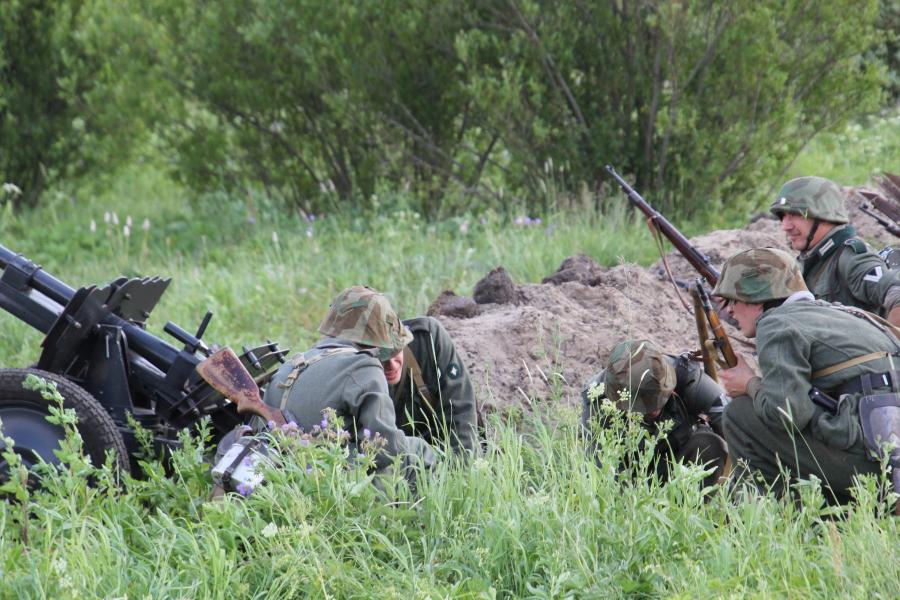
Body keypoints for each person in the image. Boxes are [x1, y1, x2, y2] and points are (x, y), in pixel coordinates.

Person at [715, 247, 900, 503]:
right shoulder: (844, 313)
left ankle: (781, 519)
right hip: (887, 458)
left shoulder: (776, 323)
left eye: (733, 300)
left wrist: (749, 383)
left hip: (875, 469)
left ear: (756, 300)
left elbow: (787, 414)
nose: (731, 311)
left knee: (740, 414)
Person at [261, 286, 437, 479]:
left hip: (277, 475)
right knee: (417, 450)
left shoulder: (292, 365)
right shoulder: (363, 367)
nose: (390, 362)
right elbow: (386, 448)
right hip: (328, 483)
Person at [581, 339, 729, 487]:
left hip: (677, 463)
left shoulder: (686, 376)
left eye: (660, 400)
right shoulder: (597, 398)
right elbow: (598, 470)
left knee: (711, 445)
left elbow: (734, 424)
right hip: (629, 476)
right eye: (644, 407)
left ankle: (688, 508)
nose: (654, 411)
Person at [770, 176, 900, 325]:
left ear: (824, 216)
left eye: (796, 214)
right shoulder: (811, 260)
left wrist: (891, 344)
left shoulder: (850, 257)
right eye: (783, 216)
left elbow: (897, 291)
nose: (785, 226)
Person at [388, 316, 478, 455]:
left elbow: (461, 412)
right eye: (382, 356)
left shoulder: (427, 338)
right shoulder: (350, 372)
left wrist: (461, 469)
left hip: (439, 455)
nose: (391, 364)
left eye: (395, 351)